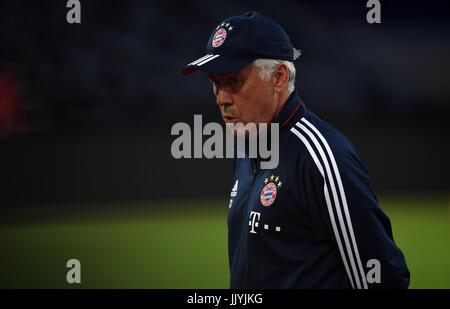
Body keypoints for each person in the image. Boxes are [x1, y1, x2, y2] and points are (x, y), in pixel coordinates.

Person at [182, 11, 409, 289]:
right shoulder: (246, 147)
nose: (221, 99)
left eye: (234, 82)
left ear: (278, 77)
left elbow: (383, 279)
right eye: (215, 84)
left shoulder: (323, 157)